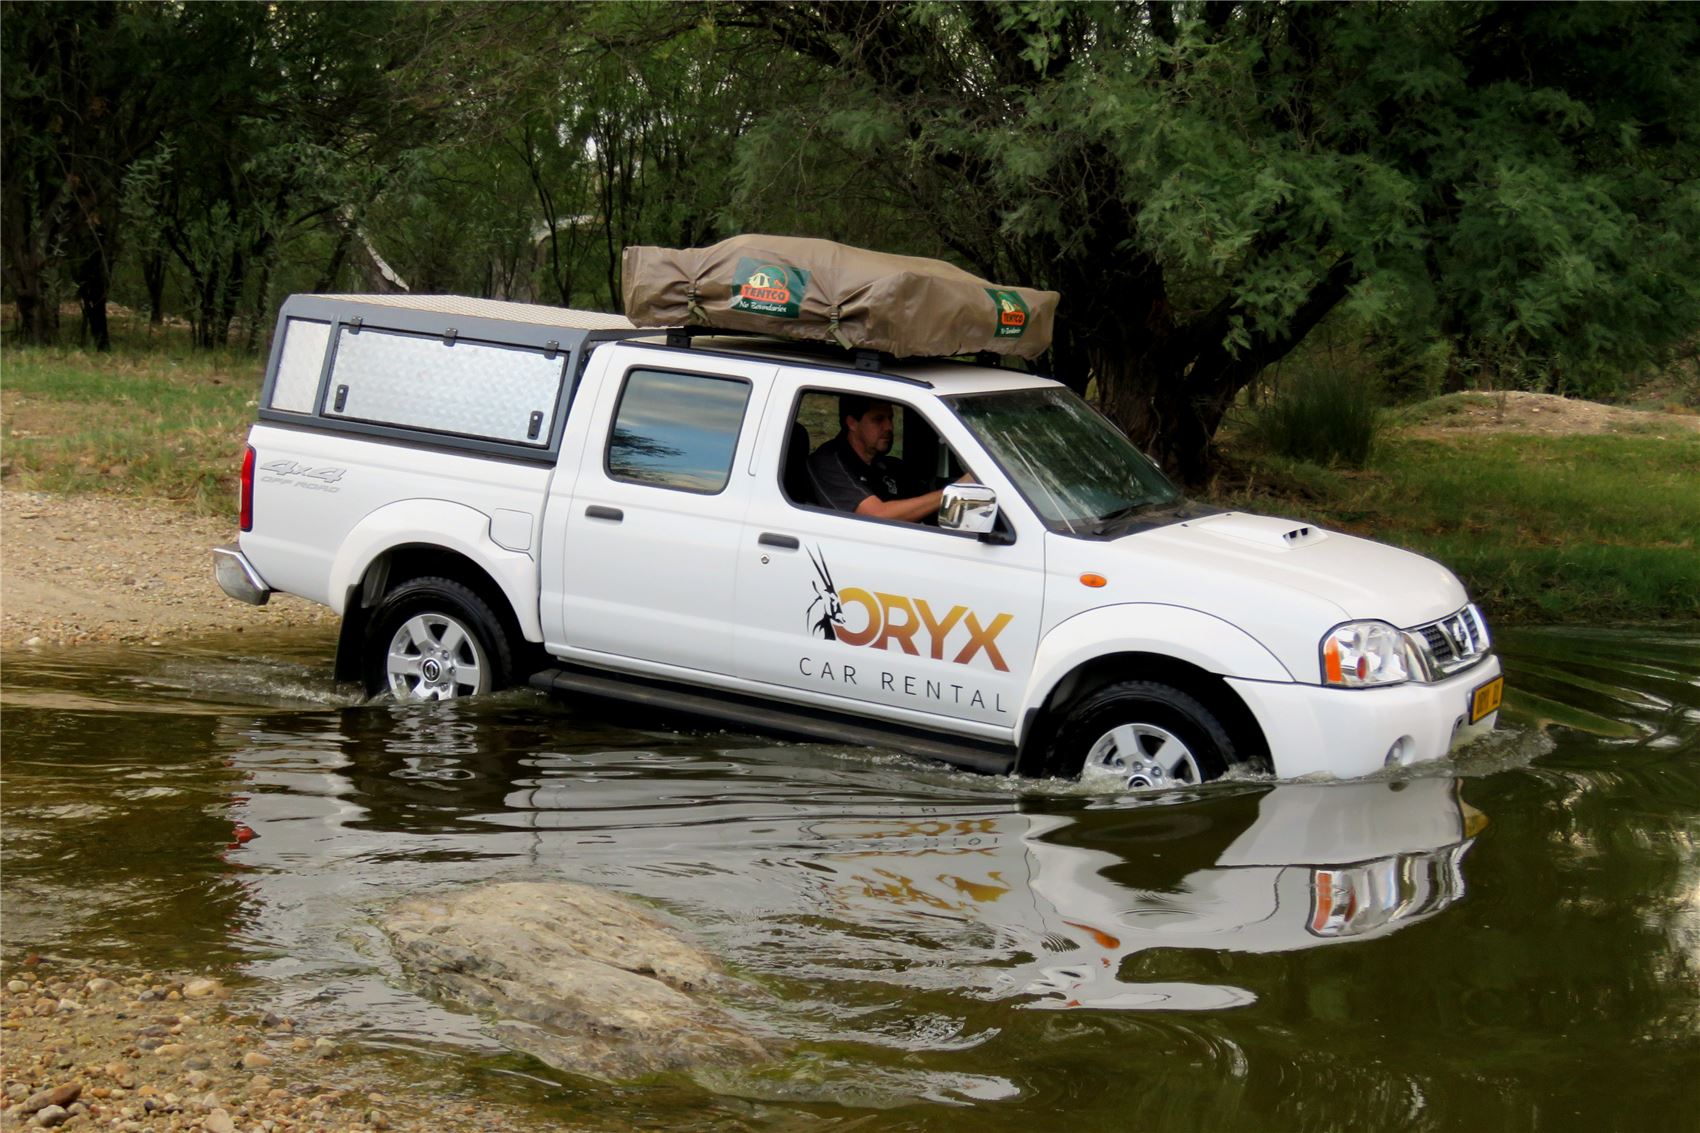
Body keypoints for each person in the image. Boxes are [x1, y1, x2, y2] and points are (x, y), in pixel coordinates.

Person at [806, 395, 962, 523]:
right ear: (852, 423)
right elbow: (877, 516)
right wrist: (955, 491)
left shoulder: (886, 465)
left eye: (890, 418)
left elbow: (923, 495)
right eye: (879, 419)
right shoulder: (829, 463)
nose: (889, 427)